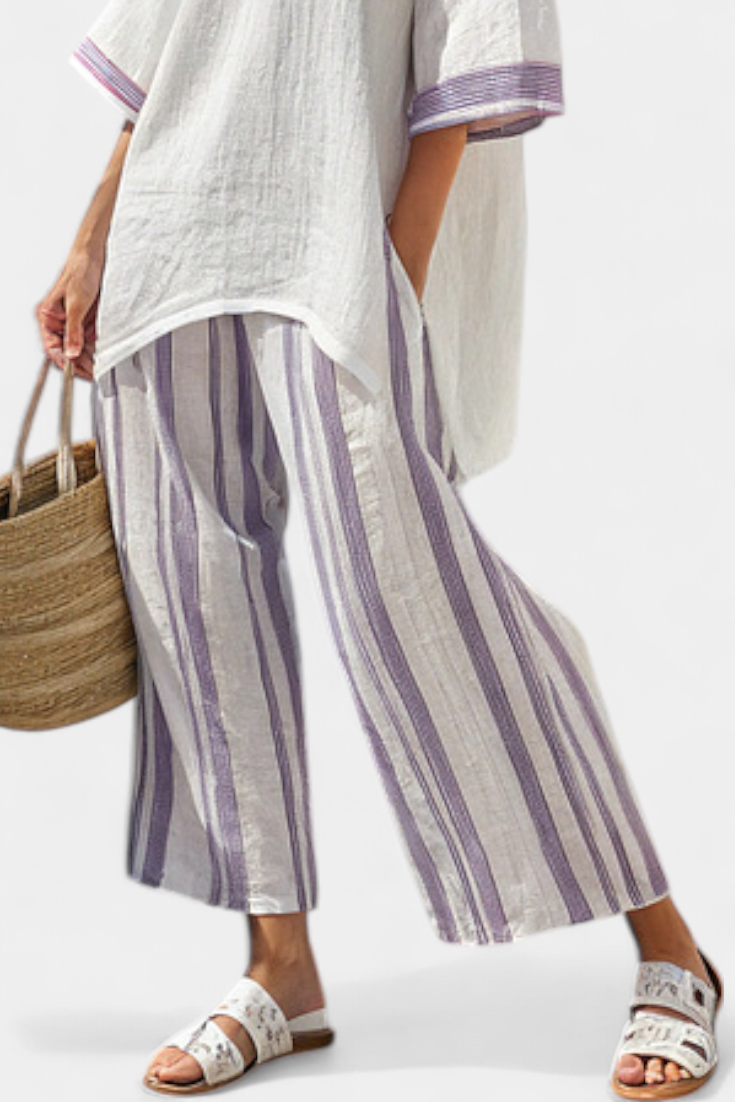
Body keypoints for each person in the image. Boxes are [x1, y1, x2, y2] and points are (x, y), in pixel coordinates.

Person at [37, 0, 723, 1096]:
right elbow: (173, 40)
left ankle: (670, 946)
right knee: (194, 597)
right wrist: (91, 238)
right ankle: (282, 970)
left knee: (414, 595)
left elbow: (474, 41)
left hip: (339, 244)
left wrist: (394, 265)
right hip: (171, 236)